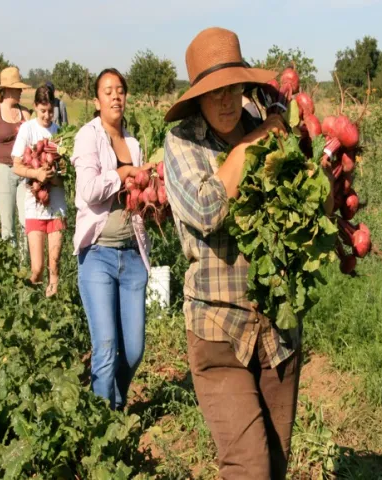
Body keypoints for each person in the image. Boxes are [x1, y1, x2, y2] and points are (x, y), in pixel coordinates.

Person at [163, 27, 301, 479]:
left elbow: (307, 208)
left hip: (277, 329)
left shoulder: (271, 126)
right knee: (248, 467)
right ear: (198, 98)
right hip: (218, 329)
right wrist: (253, 140)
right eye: (215, 93)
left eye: (234, 89)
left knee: (276, 463)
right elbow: (205, 209)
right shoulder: (183, 143)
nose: (227, 102)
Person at [71, 68, 151, 410]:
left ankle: (112, 403)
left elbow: (138, 195)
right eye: (108, 91)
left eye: (120, 90)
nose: (115, 96)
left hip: (133, 257)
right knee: (105, 349)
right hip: (98, 256)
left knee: (133, 351)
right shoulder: (87, 137)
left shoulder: (132, 143)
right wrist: (121, 174)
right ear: (97, 100)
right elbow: (88, 190)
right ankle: (103, 428)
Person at [12, 86, 67, 297]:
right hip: (34, 204)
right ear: (35, 107)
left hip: (56, 203)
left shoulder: (59, 133)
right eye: (42, 111)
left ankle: (53, 309)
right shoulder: (27, 129)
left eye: (50, 111)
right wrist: (36, 174)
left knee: (54, 267)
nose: (47, 115)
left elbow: (66, 169)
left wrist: (55, 175)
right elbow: (16, 165)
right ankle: (27, 297)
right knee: (38, 268)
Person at [0, 67, 31, 249]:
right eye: (18, 88)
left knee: (27, 222)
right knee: (7, 225)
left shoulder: (25, 114)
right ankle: (12, 272)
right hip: (3, 172)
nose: (21, 91)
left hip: (24, 172)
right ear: (8, 89)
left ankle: (26, 268)